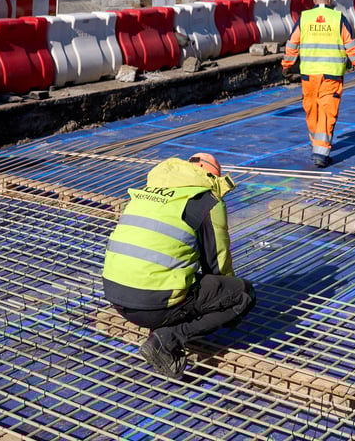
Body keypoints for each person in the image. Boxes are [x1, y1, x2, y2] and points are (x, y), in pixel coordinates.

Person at [102, 153, 256, 379]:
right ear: (212, 176)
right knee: (243, 294)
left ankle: (163, 322)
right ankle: (168, 337)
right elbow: (216, 263)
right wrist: (227, 292)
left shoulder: (147, 191)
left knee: (179, 277)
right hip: (153, 305)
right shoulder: (205, 199)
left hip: (116, 296)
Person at [281, 0, 355, 169]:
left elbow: (292, 43)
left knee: (312, 110)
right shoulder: (338, 19)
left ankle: (317, 146)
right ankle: (320, 152)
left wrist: (286, 66)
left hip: (309, 75)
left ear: (314, 0)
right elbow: (351, 45)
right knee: (327, 112)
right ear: (330, 1)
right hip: (331, 75)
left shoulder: (304, 18)